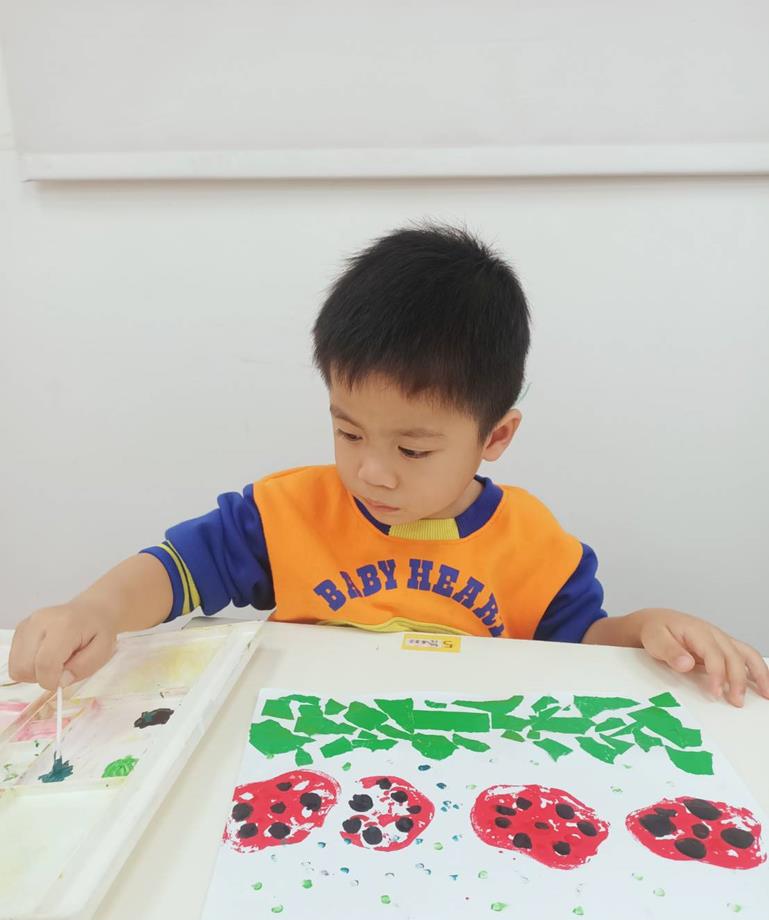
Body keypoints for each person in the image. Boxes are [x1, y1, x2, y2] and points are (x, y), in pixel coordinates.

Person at [9, 223, 768, 707]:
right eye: (347, 432)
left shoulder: (535, 546)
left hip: (463, 758)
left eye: (412, 449)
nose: (372, 472)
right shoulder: (290, 513)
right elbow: (175, 568)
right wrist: (95, 610)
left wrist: (648, 628)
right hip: (297, 749)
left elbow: (582, 647)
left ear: (496, 437)